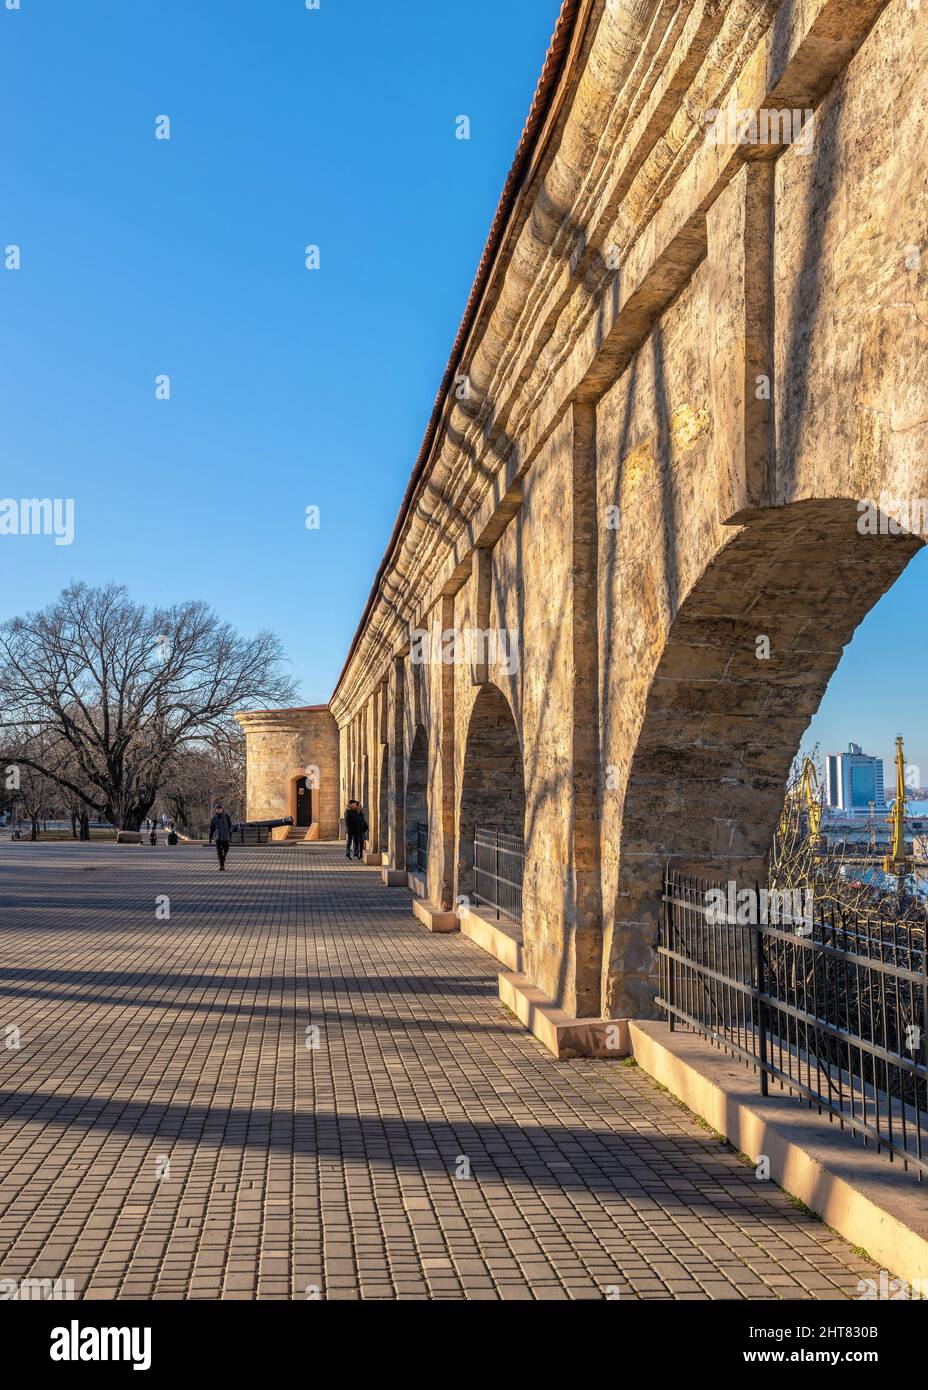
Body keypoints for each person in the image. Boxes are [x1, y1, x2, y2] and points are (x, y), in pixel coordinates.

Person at [209, 802, 233, 870]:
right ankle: (221, 865)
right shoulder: (214, 818)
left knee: (226, 849)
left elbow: (230, 825)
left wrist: (229, 832)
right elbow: (211, 828)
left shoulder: (226, 816)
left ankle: (223, 858)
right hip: (217, 837)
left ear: (222, 809)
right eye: (217, 809)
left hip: (225, 836)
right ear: (216, 810)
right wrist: (210, 837)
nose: (218, 810)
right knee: (219, 851)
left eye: (220, 809)